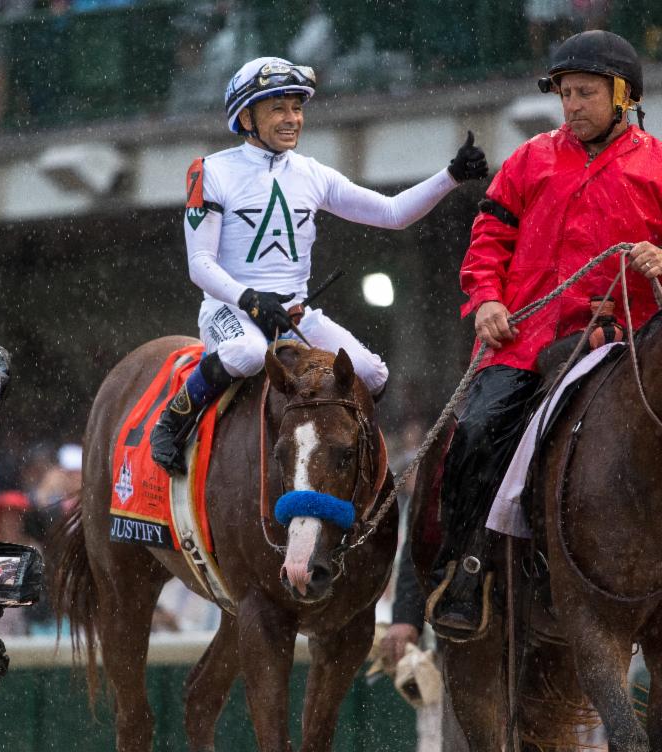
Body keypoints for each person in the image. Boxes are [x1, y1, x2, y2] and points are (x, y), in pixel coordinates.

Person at [427, 30, 662, 637]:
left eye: (586, 93)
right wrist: (485, 300)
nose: (573, 106)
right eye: (565, 94)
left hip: (622, 345)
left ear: (623, 96)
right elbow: (488, 241)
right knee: (475, 431)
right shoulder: (530, 159)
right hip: (524, 340)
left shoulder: (657, 166)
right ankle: (465, 569)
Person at [150, 56, 488, 474]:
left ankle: (350, 465)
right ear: (246, 116)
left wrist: (451, 176)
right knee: (248, 353)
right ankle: (172, 421)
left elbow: (392, 213)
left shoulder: (314, 174)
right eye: (278, 109)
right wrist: (250, 299)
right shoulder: (211, 171)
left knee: (372, 373)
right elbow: (199, 265)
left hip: (294, 316)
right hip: (230, 311)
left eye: (297, 108)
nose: (292, 119)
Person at [382, 516, 569, 752]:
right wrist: (405, 617)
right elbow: (423, 541)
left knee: (543, 716)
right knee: (462, 733)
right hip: (467, 602)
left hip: (536, 594)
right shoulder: (444, 460)